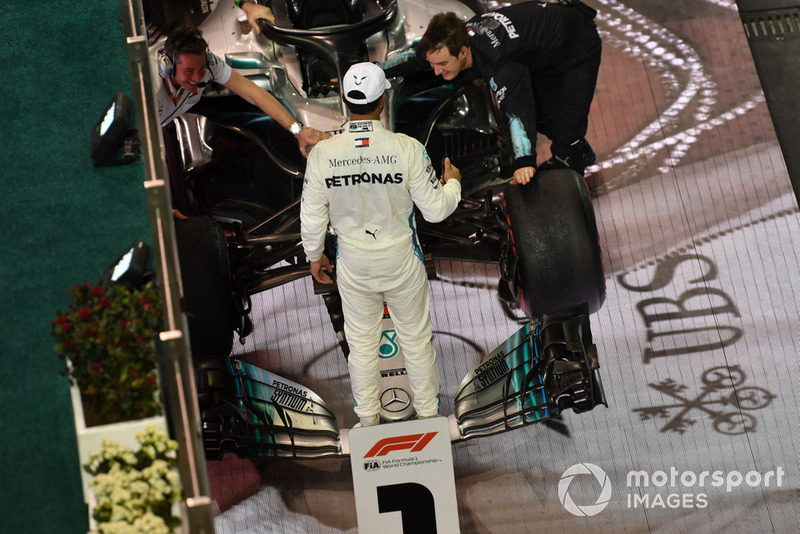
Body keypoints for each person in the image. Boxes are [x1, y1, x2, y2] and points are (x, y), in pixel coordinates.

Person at [300, 62, 462, 427]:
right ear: (383, 100)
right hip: (402, 262)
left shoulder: (323, 155)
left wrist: (314, 256)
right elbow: (435, 212)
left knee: (362, 347)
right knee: (417, 343)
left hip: (353, 266)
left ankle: (368, 421)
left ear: (343, 99)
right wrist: (453, 183)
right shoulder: (407, 148)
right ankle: (429, 417)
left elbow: (311, 216)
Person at [379, 2, 602, 185]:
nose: (436, 71)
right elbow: (413, 59)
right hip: (543, 48)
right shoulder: (454, 40)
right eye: (434, 64)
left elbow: (517, 113)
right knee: (543, 115)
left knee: (565, 134)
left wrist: (524, 161)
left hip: (578, 48)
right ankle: (580, 150)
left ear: (463, 52)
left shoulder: (500, 64)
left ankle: (572, 157)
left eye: (443, 64)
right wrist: (377, 69)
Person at [155, 24, 328, 156]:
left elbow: (253, 93)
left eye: (201, 69)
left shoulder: (208, 62)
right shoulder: (149, 90)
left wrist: (298, 130)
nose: (198, 78)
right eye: (188, 72)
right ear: (167, 67)